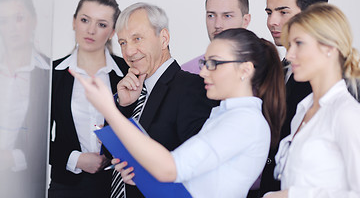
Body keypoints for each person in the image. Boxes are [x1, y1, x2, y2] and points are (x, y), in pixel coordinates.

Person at [70, 27, 286, 197]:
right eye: (204, 62)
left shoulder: (244, 121)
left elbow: (172, 168)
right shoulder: (224, 114)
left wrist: (109, 109)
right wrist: (144, 175)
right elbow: (188, 180)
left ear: (245, 69)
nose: (202, 71)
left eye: (213, 63)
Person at [109, 2, 218, 198]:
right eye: (123, 42)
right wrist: (123, 106)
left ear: (164, 38)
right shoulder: (130, 91)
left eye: (137, 39)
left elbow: (199, 168)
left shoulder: (191, 88)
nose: (129, 52)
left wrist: (144, 174)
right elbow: (109, 156)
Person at [264, 3, 360, 198]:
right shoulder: (303, 110)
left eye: (298, 43)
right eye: (289, 45)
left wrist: (292, 195)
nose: (289, 55)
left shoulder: (345, 113)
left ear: (329, 47)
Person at [48, 0, 129, 198]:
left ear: (112, 32)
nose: (91, 30)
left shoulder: (128, 72)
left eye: (102, 24)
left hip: (120, 184)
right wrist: (75, 159)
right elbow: (36, 138)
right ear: (74, 22)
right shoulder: (52, 74)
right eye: (85, 20)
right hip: (67, 186)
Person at [261, 0, 329, 195]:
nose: (272, 21)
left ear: (313, 15)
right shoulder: (279, 68)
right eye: (269, 12)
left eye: (283, 12)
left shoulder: (334, 77)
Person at [0, 0, 50, 198]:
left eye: (18, 18)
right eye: (4, 21)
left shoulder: (50, 73)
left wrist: (13, 157)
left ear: (34, 21)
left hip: (25, 185)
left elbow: (55, 137)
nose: (11, 28)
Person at [181, 0, 251, 74]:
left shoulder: (267, 67)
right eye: (211, 15)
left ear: (245, 21)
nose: (217, 25)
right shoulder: (188, 72)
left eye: (227, 16)